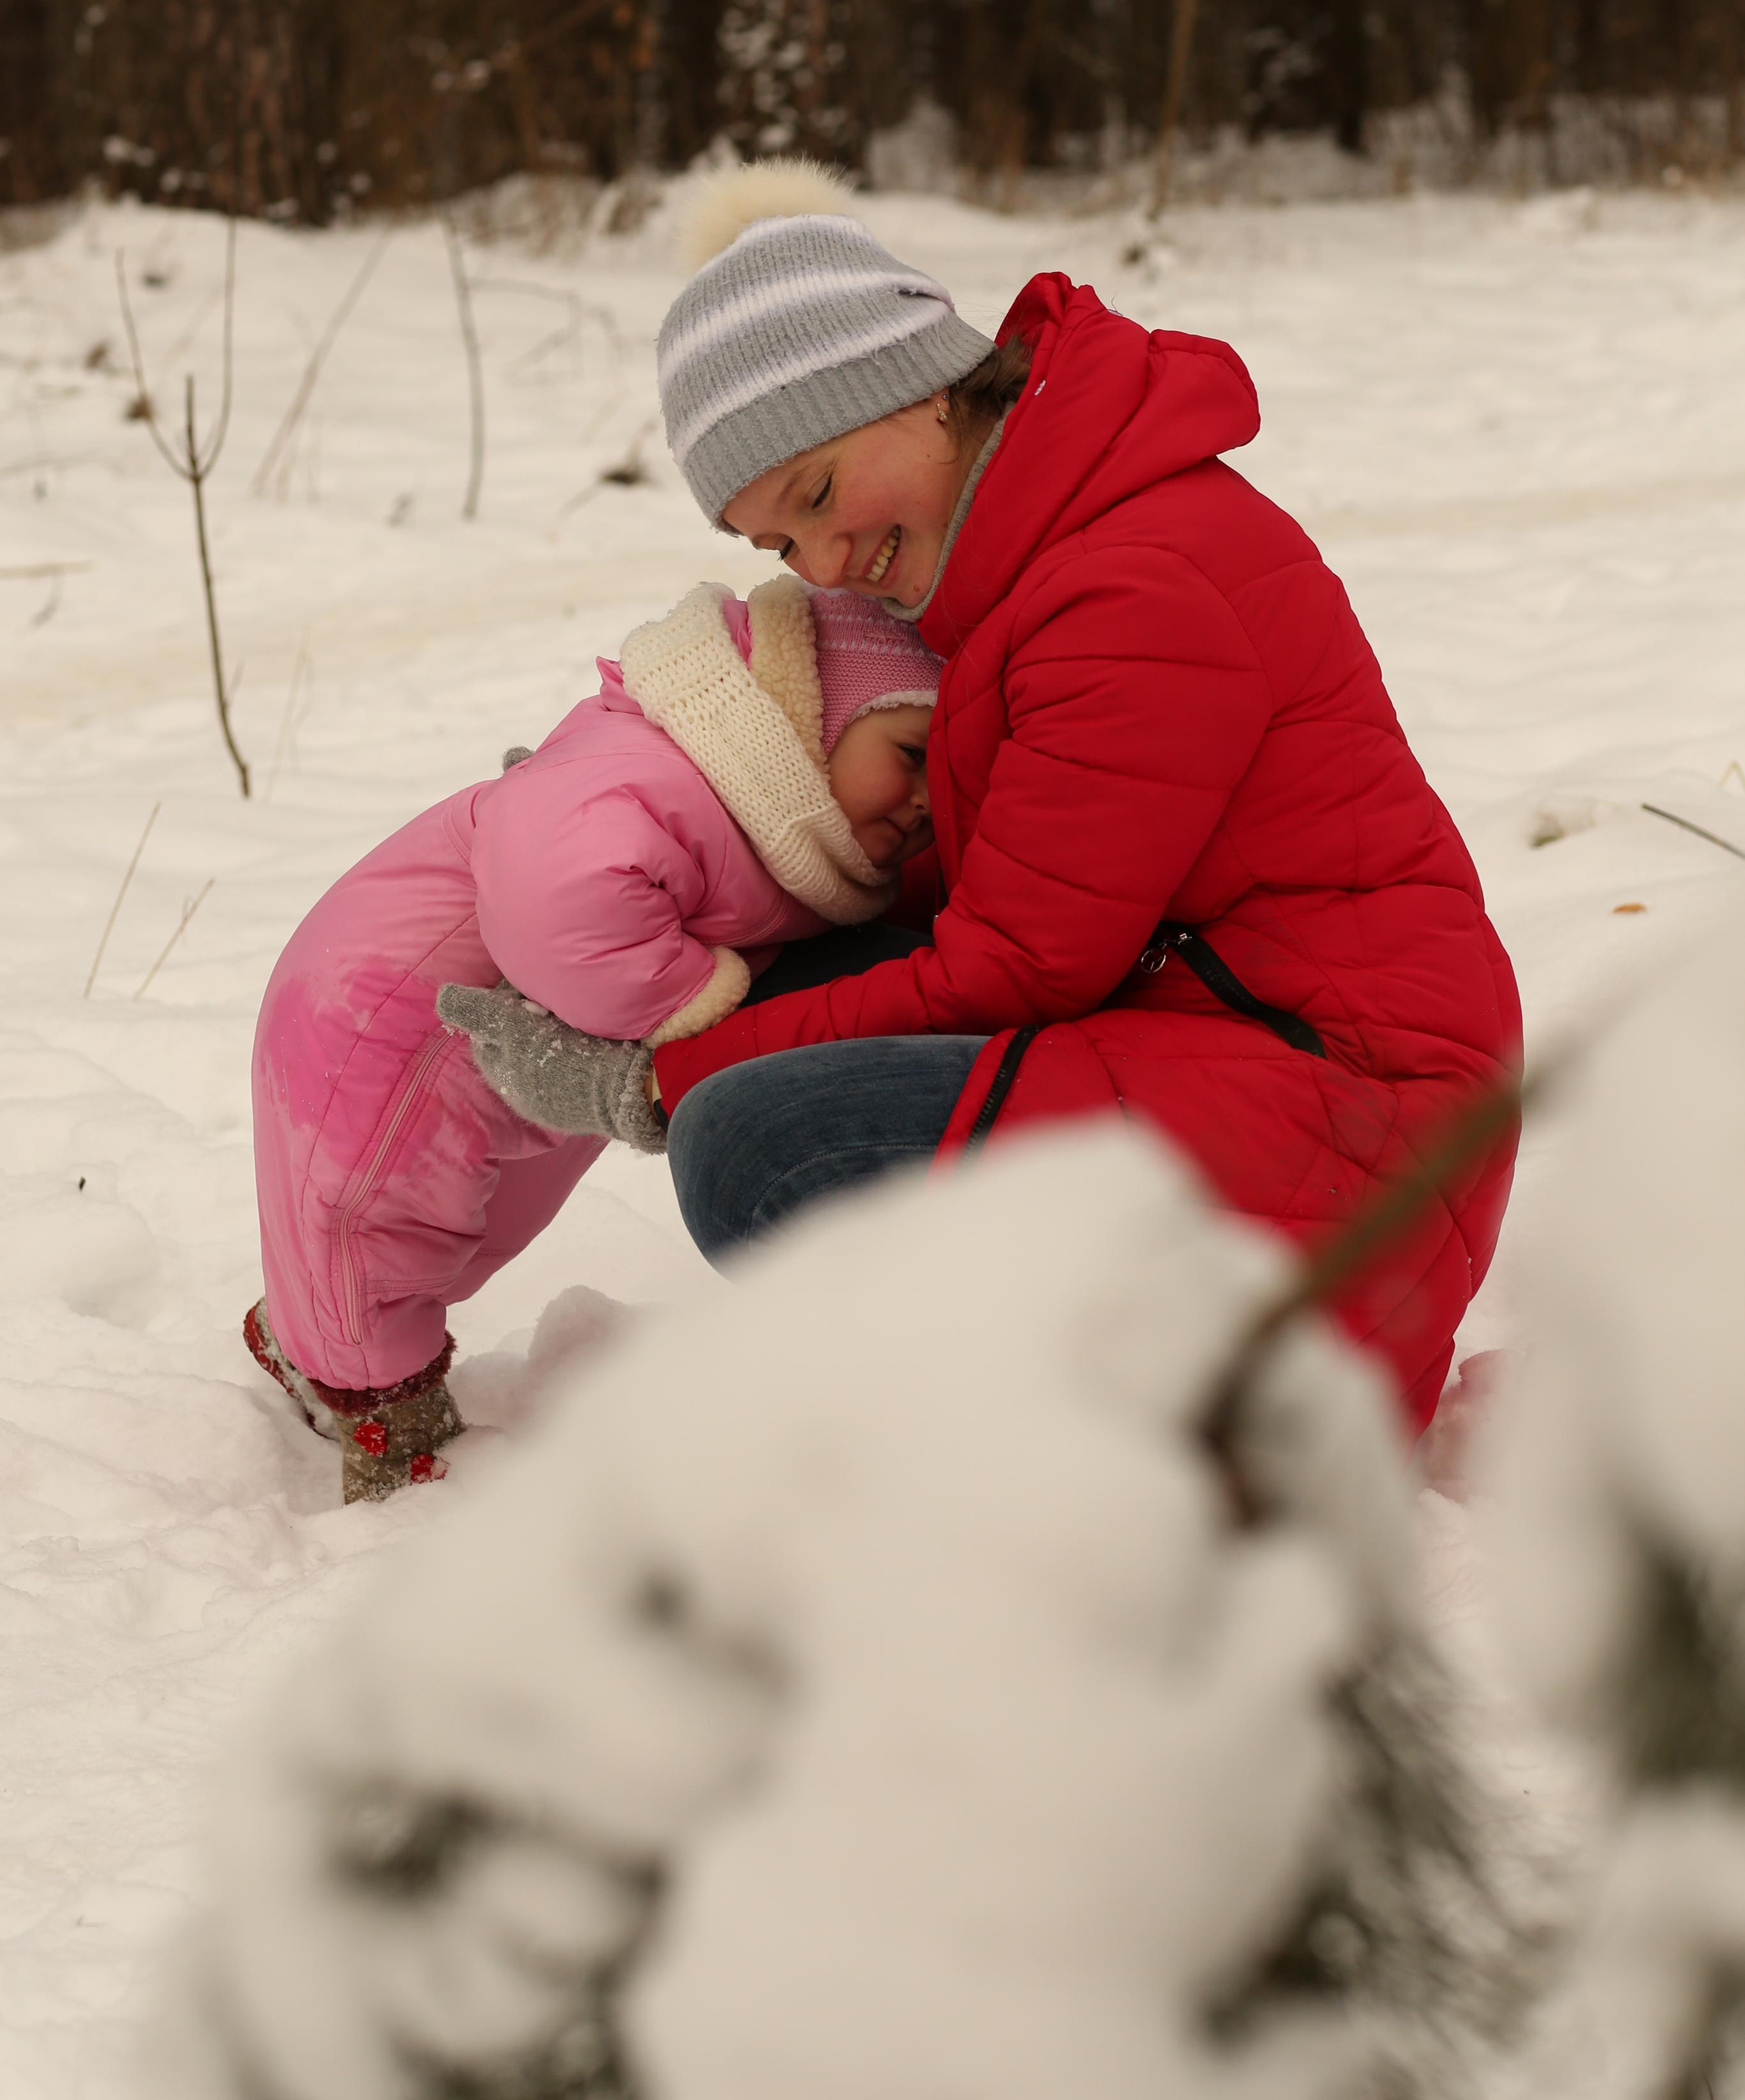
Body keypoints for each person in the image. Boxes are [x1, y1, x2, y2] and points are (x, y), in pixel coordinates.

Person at [446, 158, 1522, 1436]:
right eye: (779, 544)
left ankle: (1069, 1445)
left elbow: (1015, 963)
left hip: (1357, 1131)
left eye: (821, 494)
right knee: (795, 976)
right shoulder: (1034, 554)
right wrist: (632, 831)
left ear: (921, 389)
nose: (824, 563)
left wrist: (660, 1082)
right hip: (1225, 1030)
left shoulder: (1129, 585)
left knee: (759, 1144)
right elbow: (990, 888)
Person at [244, 573, 941, 1500]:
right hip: (389, 1027)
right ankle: (387, 1431)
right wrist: (695, 1000)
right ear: (815, 716)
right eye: (909, 753)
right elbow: (558, 885)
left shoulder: (773, 813)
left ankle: (313, 1342)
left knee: (471, 1229)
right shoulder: (680, 774)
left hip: (517, 1040)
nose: (925, 799)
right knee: (371, 1226)